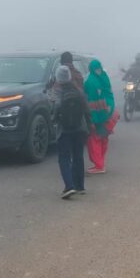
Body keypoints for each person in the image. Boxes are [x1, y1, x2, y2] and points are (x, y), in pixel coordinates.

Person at [55, 64, 91, 199]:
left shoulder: (58, 92)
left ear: (58, 79)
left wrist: (54, 119)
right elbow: (87, 110)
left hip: (64, 130)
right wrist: (89, 126)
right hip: (80, 129)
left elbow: (55, 109)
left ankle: (69, 186)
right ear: (69, 77)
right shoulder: (79, 91)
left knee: (64, 158)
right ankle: (80, 186)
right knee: (78, 156)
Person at [84, 59, 115, 174]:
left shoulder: (90, 81)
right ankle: (100, 163)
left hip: (97, 115)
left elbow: (90, 100)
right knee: (103, 138)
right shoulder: (104, 76)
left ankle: (99, 165)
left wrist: (92, 119)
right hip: (108, 112)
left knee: (94, 139)